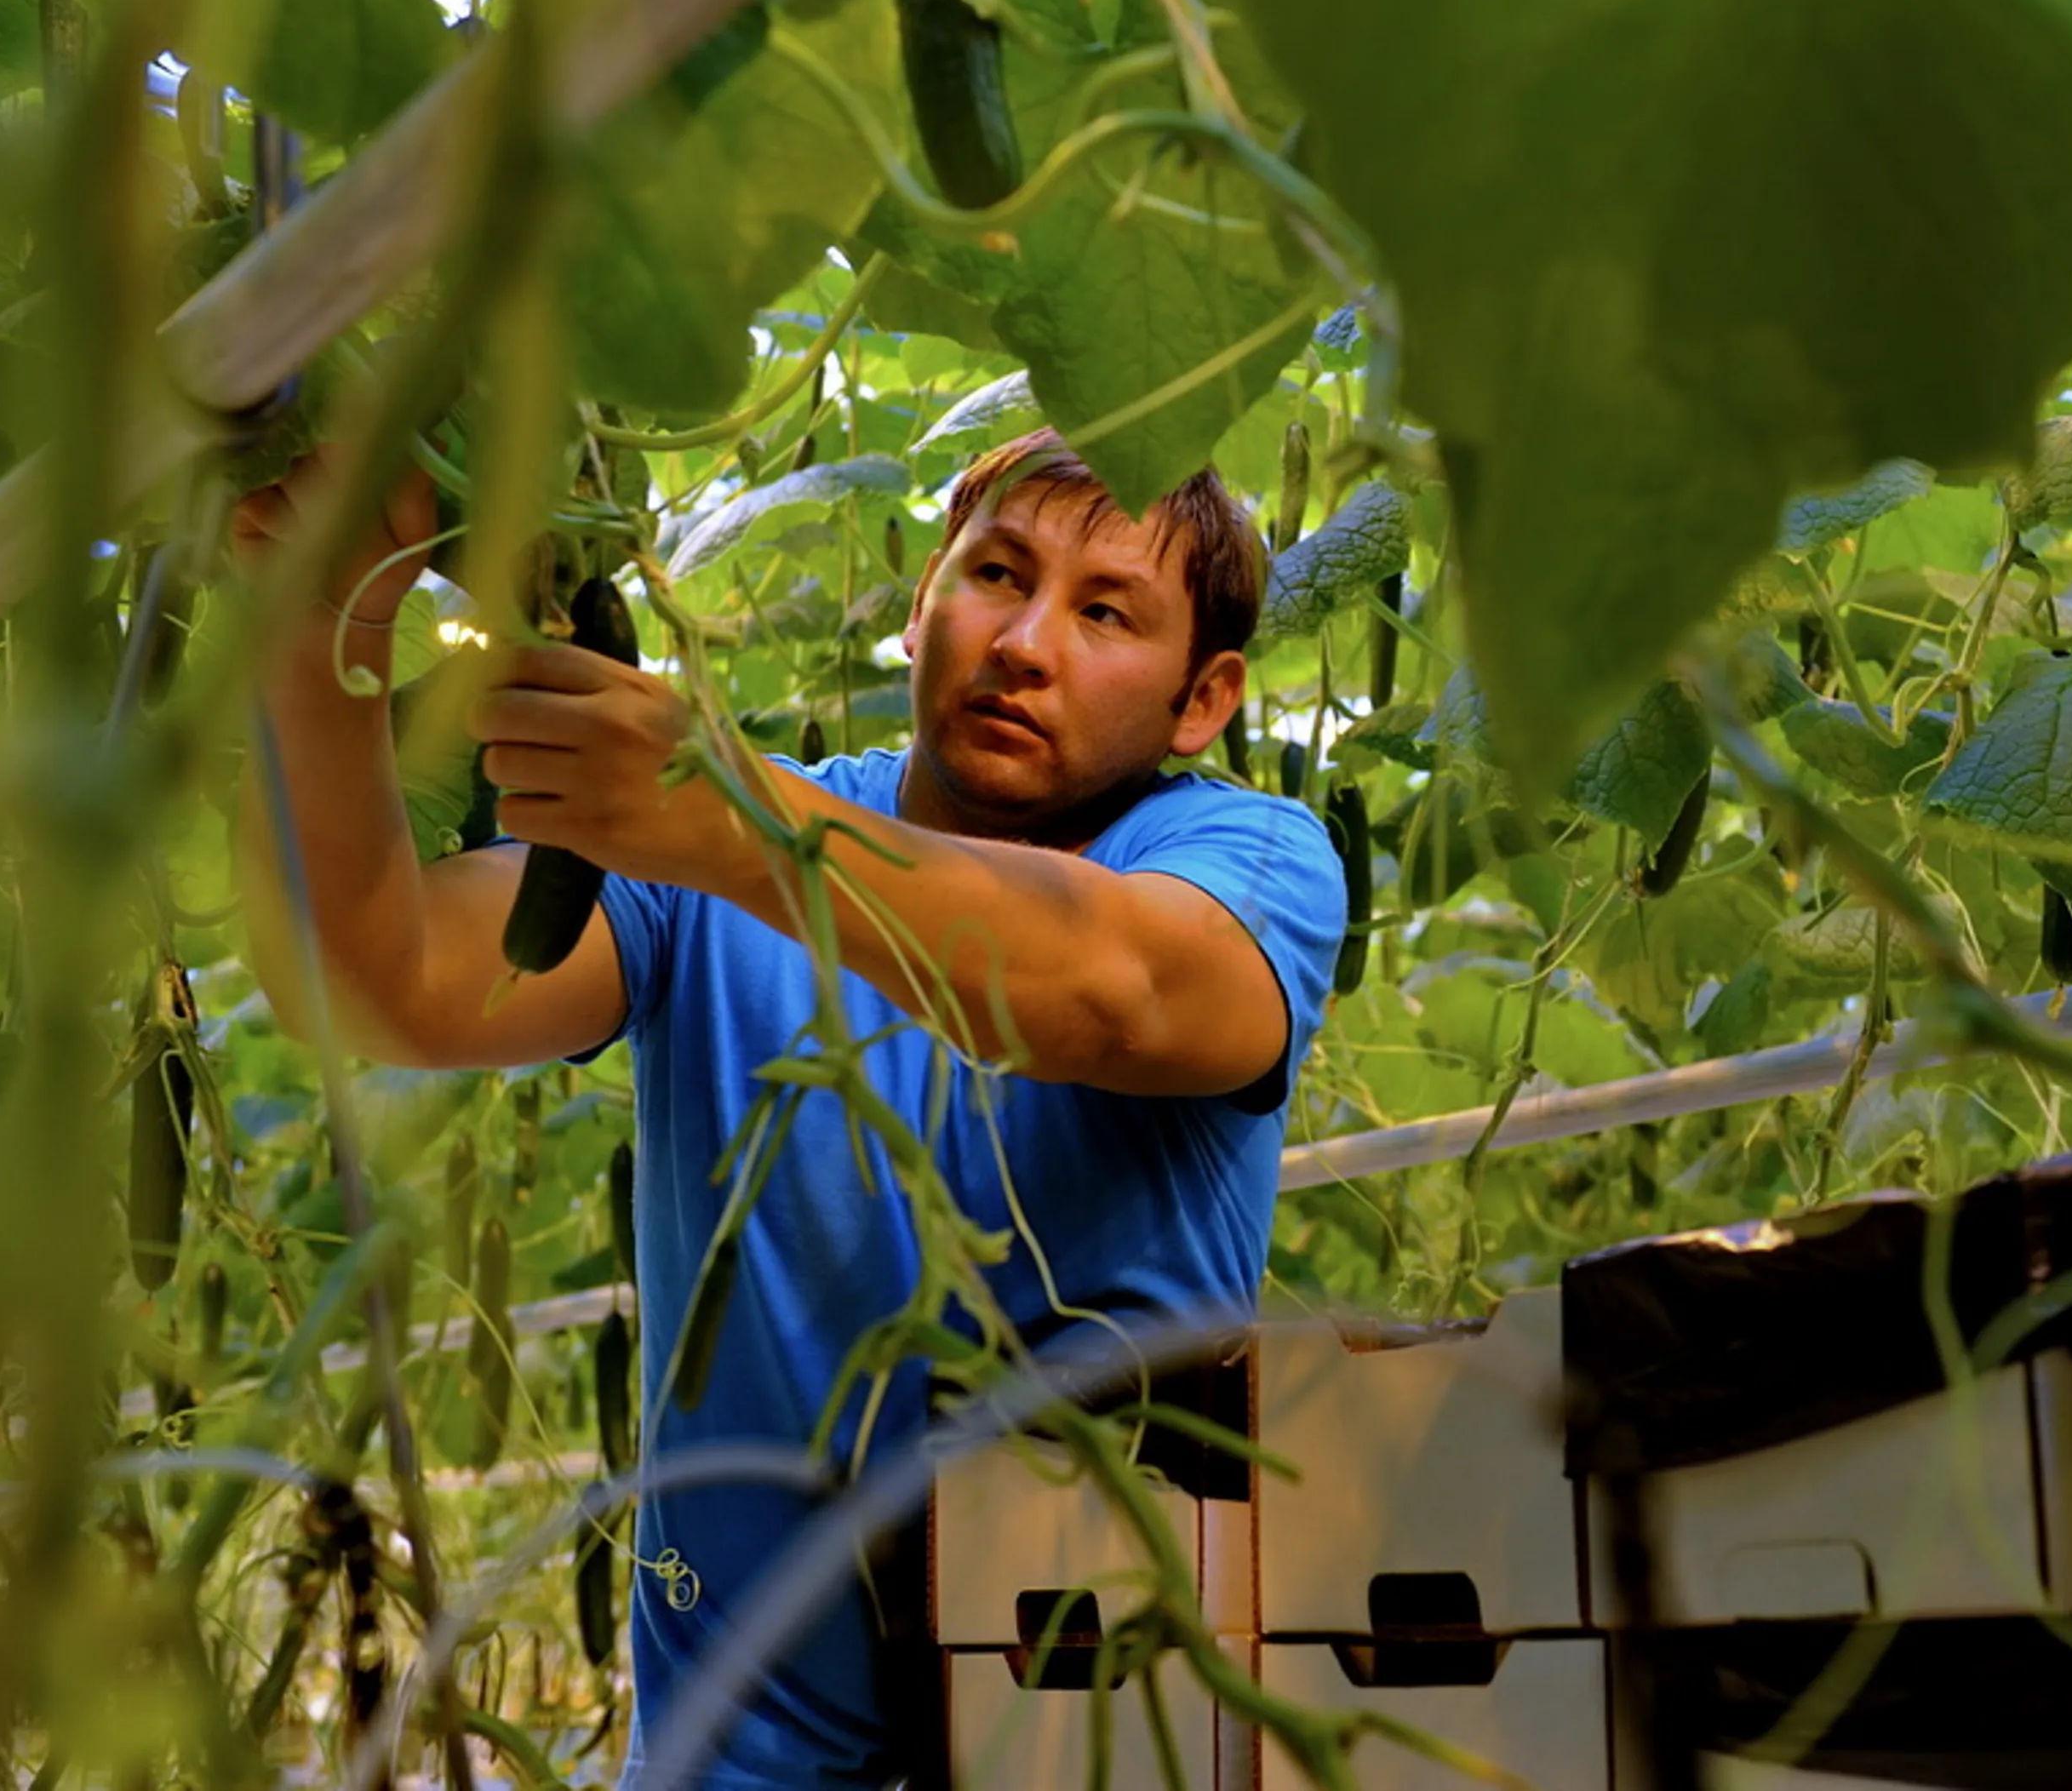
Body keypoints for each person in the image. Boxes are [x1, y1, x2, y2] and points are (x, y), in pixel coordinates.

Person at [232, 427, 1348, 1788]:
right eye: (997, 573)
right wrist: (318, 623)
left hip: (1094, 1747)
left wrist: (733, 820)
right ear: (927, 587)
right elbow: (372, 974)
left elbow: (1106, 987)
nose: (1026, 641)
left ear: (1203, 698)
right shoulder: (690, 861)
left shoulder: (1245, 858)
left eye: (1106, 610)